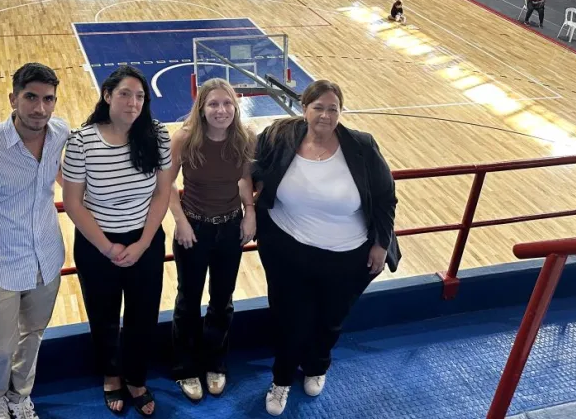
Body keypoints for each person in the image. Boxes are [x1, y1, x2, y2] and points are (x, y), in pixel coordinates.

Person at [252, 80, 401, 416]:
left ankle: (317, 366)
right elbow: (253, 167)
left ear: (340, 112)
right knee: (291, 320)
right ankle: (281, 380)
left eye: (332, 108)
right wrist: (249, 205)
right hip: (287, 251)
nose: (325, 114)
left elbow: (385, 197)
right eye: (318, 107)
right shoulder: (280, 135)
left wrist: (381, 242)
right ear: (304, 109)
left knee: (331, 319)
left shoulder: (361, 146)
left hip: (348, 256)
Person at [0, 63, 70, 419]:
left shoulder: (61, 133)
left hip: (47, 261)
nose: (40, 108)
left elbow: (65, 177)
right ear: (13, 99)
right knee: (2, 347)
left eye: (48, 99)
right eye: (31, 97)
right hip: (1, 268)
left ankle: (20, 396)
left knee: (33, 336)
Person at [62, 66, 173, 417]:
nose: (133, 102)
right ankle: (111, 375)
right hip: (97, 246)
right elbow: (73, 203)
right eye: (125, 94)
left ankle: (137, 379)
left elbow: (162, 193)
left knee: (143, 316)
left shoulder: (157, 135)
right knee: (104, 315)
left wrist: (142, 244)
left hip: (146, 242)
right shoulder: (82, 141)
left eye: (140, 96)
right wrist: (107, 247)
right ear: (107, 96)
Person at [169, 79, 256, 402]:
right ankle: (185, 367)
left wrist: (250, 211)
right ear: (202, 109)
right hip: (194, 231)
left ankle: (215, 362)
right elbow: (166, 185)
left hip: (230, 230)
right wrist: (181, 222)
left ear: (235, 107)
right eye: (214, 104)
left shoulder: (245, 139)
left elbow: (245, 178)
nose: (221, 110)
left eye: (227, 104)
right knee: (188, 301)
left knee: (223, 299)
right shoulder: (184, 139)